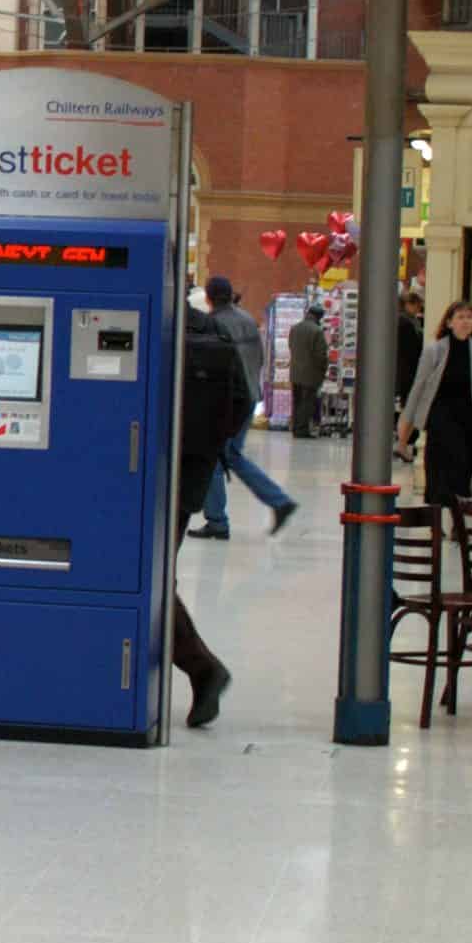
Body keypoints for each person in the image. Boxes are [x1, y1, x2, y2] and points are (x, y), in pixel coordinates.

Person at [173, 302, 253, 728]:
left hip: (135, 478)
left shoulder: (151, 318)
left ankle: (203, 669)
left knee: (143, 582)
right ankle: (202, 670)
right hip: (188, 478)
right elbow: (241, 402)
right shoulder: (213, 333)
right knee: (151, 578)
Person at [190, 277, 297, 540]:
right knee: (232, 455)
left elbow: (218, 370)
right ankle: (278, 501)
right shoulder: (247, 320)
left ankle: (218, 521)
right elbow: (259, 359)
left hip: (229, 401)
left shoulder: (215, 324)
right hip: (249, 398)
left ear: (208, 298)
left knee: (215, 457)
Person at [397, 301, 472, 509]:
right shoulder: (435, 350)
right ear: (449, 322)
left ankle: (458, 523)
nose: (465, 322)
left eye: (469, 317)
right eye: (460, 317)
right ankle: (437, 520)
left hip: (470, 420)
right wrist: (406, 421)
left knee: (464, 471)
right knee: (441, 473)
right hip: (441, 418)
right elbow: (419, 385)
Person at [288, 304, 329, 438]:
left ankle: (295, 428)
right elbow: (321, 356)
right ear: (318, 317)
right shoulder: (317, 331)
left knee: (297, 401)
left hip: (295, 372)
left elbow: (290, 347)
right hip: (311, 373)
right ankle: (302, 430)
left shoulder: (294, 328)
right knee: (307, 402)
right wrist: (323, 370)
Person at [395, 291, 426, 421]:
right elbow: (412, 347)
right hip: (407, 368)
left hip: (406, 367)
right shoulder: (405, 323)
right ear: (408, 304)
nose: (418, 310)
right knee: (407, 401)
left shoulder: (410, 321)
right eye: (417, 306)